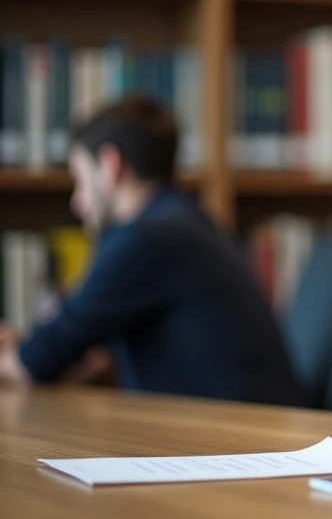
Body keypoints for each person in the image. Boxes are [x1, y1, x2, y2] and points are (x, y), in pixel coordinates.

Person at [0, 96, 303, 406]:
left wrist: (19, 355)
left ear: (109, 165)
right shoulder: (183, 220)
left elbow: (37, 360)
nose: (77, 203)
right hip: (241, 425)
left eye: (80, 181)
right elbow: (87, 349)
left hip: (233, 441)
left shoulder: (146, 238)